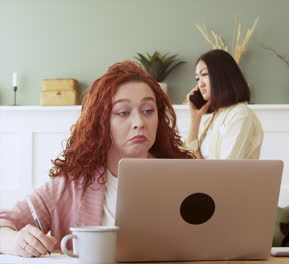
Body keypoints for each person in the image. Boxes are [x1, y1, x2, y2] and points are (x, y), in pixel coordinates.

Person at [0, 61, 193, 257]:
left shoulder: (182, 177)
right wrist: (15, 241)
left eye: (148, 110)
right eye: (123, 112)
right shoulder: (70, 187)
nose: (139, 122)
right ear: (101, 122)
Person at [185, 49, 263, 160]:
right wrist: (194, 120)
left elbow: (226, 171)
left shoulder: (241, 115)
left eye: (204, 74)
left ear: (222, 75)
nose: (200, 84)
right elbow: (190, 161)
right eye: (197, 78)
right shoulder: (211, 119)